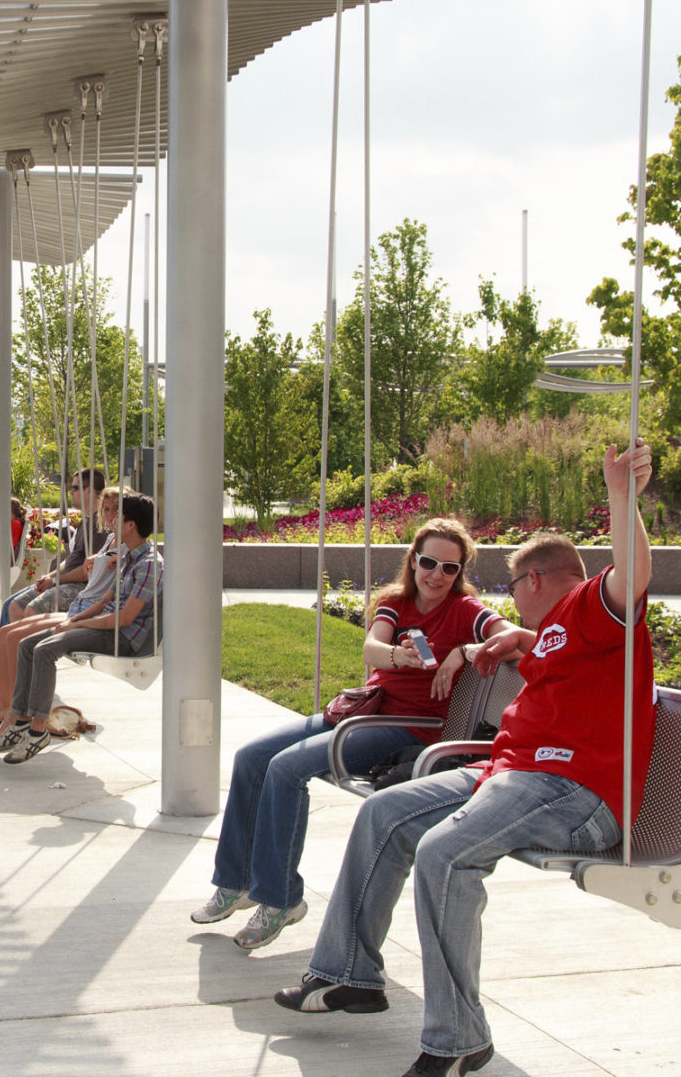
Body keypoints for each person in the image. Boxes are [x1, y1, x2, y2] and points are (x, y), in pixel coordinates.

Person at [271, 441, 656, 1077]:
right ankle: (351, 976)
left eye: (512, 586)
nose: (509, 597)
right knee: (385, 813)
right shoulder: (560, 631)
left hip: (570, 788)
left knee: (443, 854)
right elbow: (569, 663)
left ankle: (457, 1041)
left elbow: (633, 575)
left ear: (533, 580)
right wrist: (521, 638)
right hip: (512, 775)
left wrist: (622, 495)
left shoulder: (592, 606)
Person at [191, 518, 516, 951]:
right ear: (413, 560)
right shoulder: (396, 602)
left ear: (461, 573)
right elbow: (372, 648)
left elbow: (515, 636)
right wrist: (397, 656)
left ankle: (281, 899)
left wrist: (462, 651)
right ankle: (235, 882)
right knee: (251, 757)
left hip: (409, 727)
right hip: (363, 710)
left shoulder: (465, 612)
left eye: (450, 568)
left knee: (287, 770)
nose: (437, 575)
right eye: (428, 562)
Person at [0, 491, 162, 765]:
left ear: (131, 525)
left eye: (118, 516)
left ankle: (37, 730)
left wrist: (79, 623)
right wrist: (72, 621)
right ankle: (21, 719)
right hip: (101, 624)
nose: (111, 519)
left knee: (46, 650)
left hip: (120, 637)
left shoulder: (148, 565)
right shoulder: (129, 557)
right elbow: (106, 600)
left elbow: (124, 618)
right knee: (27, 645)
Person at [0, 487, 120, 739]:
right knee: (6, 630)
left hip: (83, 606)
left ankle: (19, 715)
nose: (109, 516)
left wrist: (66, 587)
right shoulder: (109, 539)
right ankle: (5, 705)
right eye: (107, 509)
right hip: (81, 604)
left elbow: (107, 589)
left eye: (115, 511)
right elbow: (87, 564)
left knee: (23, 639)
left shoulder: (121, 546)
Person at [0, 467, 107, 684]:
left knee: (29, 608)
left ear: (90, 491)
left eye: (75, 488)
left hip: (82, 587)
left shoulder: (99, 527)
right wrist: (50, 576)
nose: (71, 492)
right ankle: (6, 672)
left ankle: (24, 677)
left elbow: (87, 570)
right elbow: (71, 562)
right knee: (11, 605)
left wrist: (55, 580)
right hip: (67, 580)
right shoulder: (85, 522)